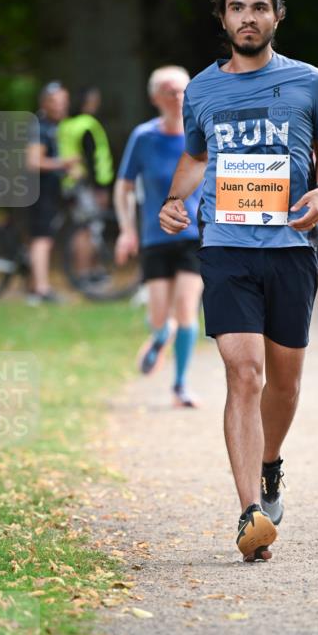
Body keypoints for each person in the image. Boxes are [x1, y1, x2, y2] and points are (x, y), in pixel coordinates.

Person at [159, 0, 318, 562]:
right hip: (226, 247)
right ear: (223, 18)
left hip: (291, 249)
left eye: (258, 7)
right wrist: (174, 200)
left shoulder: (309, 82)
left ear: (276, 16)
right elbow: (194, 157)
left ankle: (270, 466)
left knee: (285, 383)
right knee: (245, 373)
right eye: (236, 7)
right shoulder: (202, 91)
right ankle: (249, 514)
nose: (247, 17)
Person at [114, 66, 204, 408]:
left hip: (194, 235)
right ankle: (159, 337)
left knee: (186, 308)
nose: (177, 98)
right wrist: (127, 229)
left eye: (182, 91)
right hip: (154, 237)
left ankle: (179, 385)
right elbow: (123, 187)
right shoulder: (143, 137)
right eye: (169, 91)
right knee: (159, 316)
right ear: (155, 98)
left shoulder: (200, 135)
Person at [25, 81, 79, 304]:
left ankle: (33, 284)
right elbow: (33, 162)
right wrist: (63, 164)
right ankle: (41, 290)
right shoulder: (40, 127)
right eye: (56, 102)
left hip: (45, 189)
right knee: (42, 239)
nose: (61, 107)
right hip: (37, 190)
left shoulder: (55, 126)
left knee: (39, 238)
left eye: (64, 102)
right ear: (44, 103)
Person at [58, 86, 115, 288]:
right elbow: (91, 159)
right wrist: (99, 188)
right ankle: (84, 275)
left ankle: (88, 272)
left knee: (83, 228)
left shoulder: (67, 124)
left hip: (71, 184)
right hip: (87, 185)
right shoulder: (87, 125)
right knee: (88, 229)